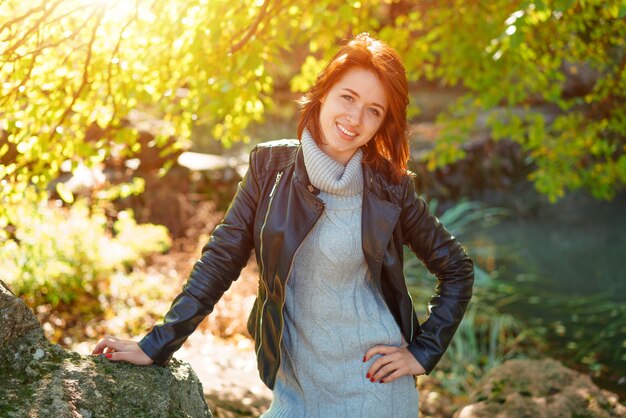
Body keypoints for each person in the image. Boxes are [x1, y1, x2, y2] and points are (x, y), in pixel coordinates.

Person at [92, 33, 474, 417]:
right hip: (296, 388)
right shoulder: (268, 167)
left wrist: (422, 352)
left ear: (383, 122)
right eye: (348, 97)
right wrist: (157, 344)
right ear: (324, 91)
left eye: (374, 110)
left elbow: (457, 269)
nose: (355, 119)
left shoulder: (391, 189)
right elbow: (221, 259)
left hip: (372, 390)